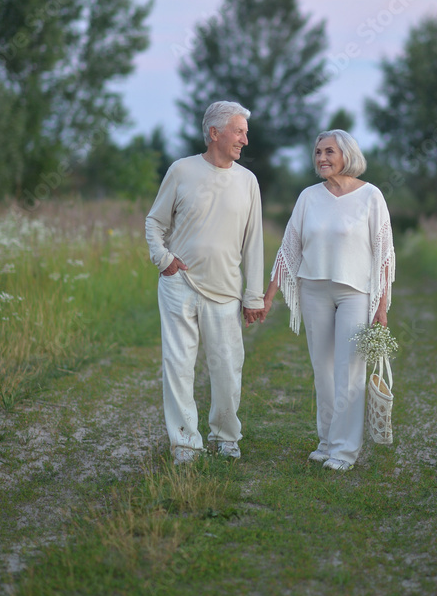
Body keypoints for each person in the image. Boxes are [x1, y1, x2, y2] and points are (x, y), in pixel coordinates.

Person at [262, 130, 394, 472]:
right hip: (314, 290)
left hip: (355, 292)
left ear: (346, 155)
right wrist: (269, 296)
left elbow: (383, 256)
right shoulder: (308, 197)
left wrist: (381, 306)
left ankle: (345, 451)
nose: (321, 158)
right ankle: (326, 441)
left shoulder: (371, 197)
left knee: (349, 372)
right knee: (323, 371)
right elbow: (289, 249)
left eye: (329, 151)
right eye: (318, 152)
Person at [145, 101, 265, 465]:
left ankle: (226, 436)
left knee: (228, 367)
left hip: (226, 289)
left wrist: (253, 296)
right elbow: (154, 223)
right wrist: (163, 260)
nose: (245, 139)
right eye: (239, 131)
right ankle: (185, 444)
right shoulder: (181, 170)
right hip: (179, 283)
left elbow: (254, 241)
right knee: (178, 365)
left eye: (245, 131)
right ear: (215, 133)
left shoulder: (248, 181)